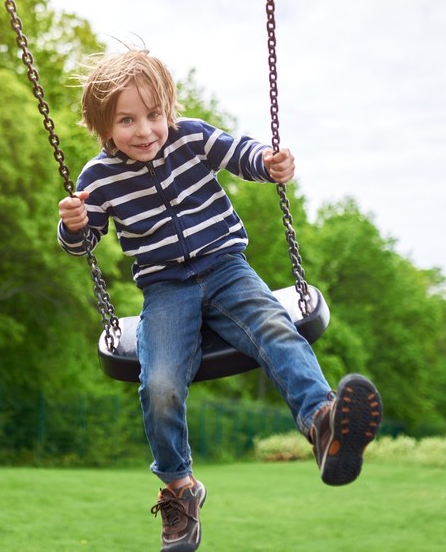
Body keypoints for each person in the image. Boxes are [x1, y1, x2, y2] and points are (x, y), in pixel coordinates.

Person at [58, 49, 381, 552]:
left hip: (227, 268)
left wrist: (270, 163)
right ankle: (178, 488)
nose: (145, 130)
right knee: (160, 383)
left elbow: (241, 153)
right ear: (103, 126)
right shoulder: (97, 178)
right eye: (127, 120)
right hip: (165, 289)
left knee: (277, 330)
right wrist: (73, 225)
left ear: (168, 109)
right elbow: (84, 242)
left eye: (154, 114)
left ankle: (323, 423)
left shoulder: (190, 136)